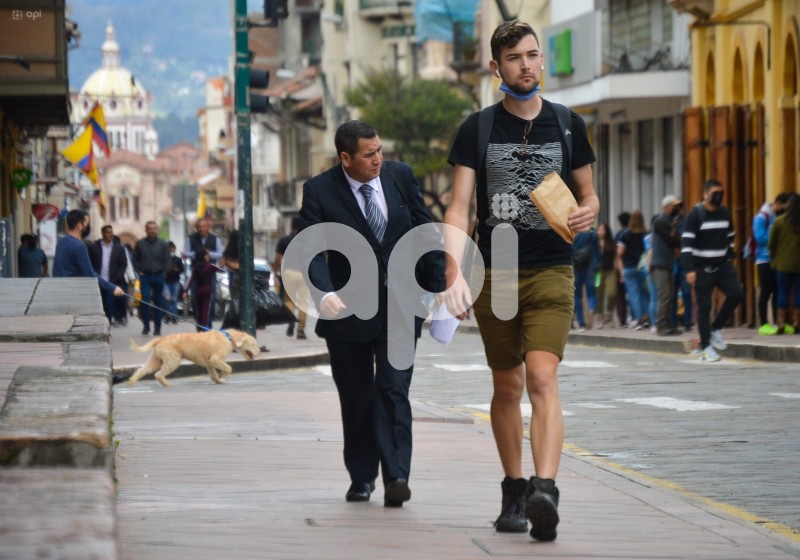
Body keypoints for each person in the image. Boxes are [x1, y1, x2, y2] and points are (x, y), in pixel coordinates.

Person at [443, 20, 598, 542]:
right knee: (506, 385)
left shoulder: (569, 124)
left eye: (533, 55)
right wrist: (452, 272)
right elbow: (460, 208)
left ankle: (545, 490)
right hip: (498, 274)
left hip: (553, 268)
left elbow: (590, 196)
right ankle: (513, 489)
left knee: (542, 378)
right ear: (497, 67)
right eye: (514, 58)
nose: (526, 64)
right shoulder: (478, 129)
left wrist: (588, 214)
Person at [297, 120, 445, 508]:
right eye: (368, 154)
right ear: (346, 158)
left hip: (400, 307)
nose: (378, 159)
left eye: (380, 150)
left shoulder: (399, 176)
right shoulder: (319, 190)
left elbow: (423, 227)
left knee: (394, 389)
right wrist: (324, 291)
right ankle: (362, 477)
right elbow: (311, 248)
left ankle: (397, 475)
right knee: (357, 397)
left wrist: (439, 282)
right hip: (347, 313)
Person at [681, 180, 743, 362]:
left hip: (723, 265)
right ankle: (706, 347)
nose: (719, 197)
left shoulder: (725, 212)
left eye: (721, 193)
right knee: (704, 307)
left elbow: (731, 235)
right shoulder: (696, 214)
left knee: (736, 294)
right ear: (705, 194)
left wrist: (730, 254)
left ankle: (716, 328)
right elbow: (686, 244)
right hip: (701, 267)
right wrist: (690, 269)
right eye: (715, 193)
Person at [52, 209, 124, 299]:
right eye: (86, 223)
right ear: (79, 226)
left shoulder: (61, 242)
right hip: (71, 293)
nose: (87, 226)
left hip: (58, 290)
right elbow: (90, 274)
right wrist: (113, 288)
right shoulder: (79, 246)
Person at [754, 193, 792, 334]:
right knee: (765, 291)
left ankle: (778, 323)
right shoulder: (761, 217)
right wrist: (777, 236)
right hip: (764, 260)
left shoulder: (776, 217)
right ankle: (763, 324)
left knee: (778, 291)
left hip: (776, 260)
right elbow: (760, 238)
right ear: (779, 204)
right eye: (785, 206)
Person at [766, 193, 800, 334]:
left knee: (782, 293)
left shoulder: (779, 221)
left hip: (782, 265)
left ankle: (780, 323)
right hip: (799, 265)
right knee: (799, 293)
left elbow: (771, 243)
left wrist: (774, 258)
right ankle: (797, 322)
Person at [650, 195, 683, 336]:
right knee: (664, 296)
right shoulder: (660, 222)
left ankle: (669, 324)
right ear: (667, 207)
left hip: (668, 264)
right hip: (659, 265)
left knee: (670, 295)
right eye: (674, 206)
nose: (677, 208)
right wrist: (678, 239)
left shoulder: (671, 223)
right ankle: (661, 325)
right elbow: (672, 240)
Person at [132, 221, 170, 336]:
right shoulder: (140, 243)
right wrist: (139, 271)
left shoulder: (163, 244)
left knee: (158, 303)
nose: (152, 231)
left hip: (159, 276)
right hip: (145, 277)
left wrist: (163, 274)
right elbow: (135, 259)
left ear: (157, 230)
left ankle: (157, 328)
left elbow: (167, 260)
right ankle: (146, 326)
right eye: (150, 229)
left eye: (154, 229)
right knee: (145, 302)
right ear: (146, 230)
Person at [184, 218, 223, 328]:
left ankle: (207, 326)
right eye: (199, 227)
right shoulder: (190, 238)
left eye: (204, 226)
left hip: (209, 274)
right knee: (196, 302)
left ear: (208, 227)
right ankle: (199, 324)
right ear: (196, 227)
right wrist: (198, 254)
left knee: (210, 302)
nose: (202, 229)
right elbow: (186, 253)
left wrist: (209, 255)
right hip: (196, 272)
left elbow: (220, 253)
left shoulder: (215, 239)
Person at [274, 217, 308, 339]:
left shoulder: (284, 240)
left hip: (288, 273)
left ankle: (290, 322)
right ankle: (300, 330)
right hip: (304, 274)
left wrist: (275, 271)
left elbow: (277, 259)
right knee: (303, 302)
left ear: (291, 226)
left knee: (289, 301)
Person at [89, 225, 128, 325]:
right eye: (107, 232)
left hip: (111, 281)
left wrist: (118, 276)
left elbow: (123, 264)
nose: (110, 234)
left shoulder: (119, 248)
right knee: (99, 304)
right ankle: (98, 324)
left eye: (111, 232)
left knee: (109, 303)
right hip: (97, 280)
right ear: (102, 234)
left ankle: (108, 324)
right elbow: (90, 263)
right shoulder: (94, 247)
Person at [616, 210, 649, 330]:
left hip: (629, 268)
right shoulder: (646, 234)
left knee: (634, 295)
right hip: (643, 267)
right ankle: (647, 318)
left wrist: (621, 271)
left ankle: (638, 319)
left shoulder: (625, 235)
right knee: (644, 293)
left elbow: (619, 254)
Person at [183, 249, 222, 331]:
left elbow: (191, 280)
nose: (209, 256)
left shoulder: (196, 267)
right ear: (204, 256)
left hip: (198, 291)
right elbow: (222, 270)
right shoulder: (210, 266)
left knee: (199, 311)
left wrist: (185, 291)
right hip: (207, 292)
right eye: (207, 255)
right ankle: (204, 329)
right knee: (205, 311)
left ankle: (198, 329)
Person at [572, 229, 599, 332]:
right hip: (590, 266)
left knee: (577, 296)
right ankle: (591, 309)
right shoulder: (593, 233)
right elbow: (597, 251)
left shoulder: (573, 233)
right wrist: (597, 264)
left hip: (576, 266)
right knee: (591, 293)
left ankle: (581, 323)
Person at [595, 223, 617, 328]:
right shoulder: (594, 242)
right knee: (598, 295)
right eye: (599, 230)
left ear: (606, 231)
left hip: (610, 271)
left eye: (602, 230)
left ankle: (609, 316)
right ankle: (599, 318)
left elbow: (616, 257)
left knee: (611, 293)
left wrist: (618, 270)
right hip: (598, 272)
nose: (600, 232)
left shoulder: (611, 243)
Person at [614, 211, 631, 327]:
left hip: (621, 266)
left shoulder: (619, 235)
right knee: (633, 293)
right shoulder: (634, 232)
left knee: (620, 295)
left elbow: (617, 254)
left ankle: (623, 320)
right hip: (631, 265)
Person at [163, 241, 185, 324]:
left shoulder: (178, 259)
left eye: (172, 249)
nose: (171, 251)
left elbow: (181, 270)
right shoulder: (165, 259)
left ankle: (174, 317)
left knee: (174, 300)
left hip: (175, 281)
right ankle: (168, 316)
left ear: (175, 249)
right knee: (167, 299)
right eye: (169, 249)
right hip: (166, 281)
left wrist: (176, 269)